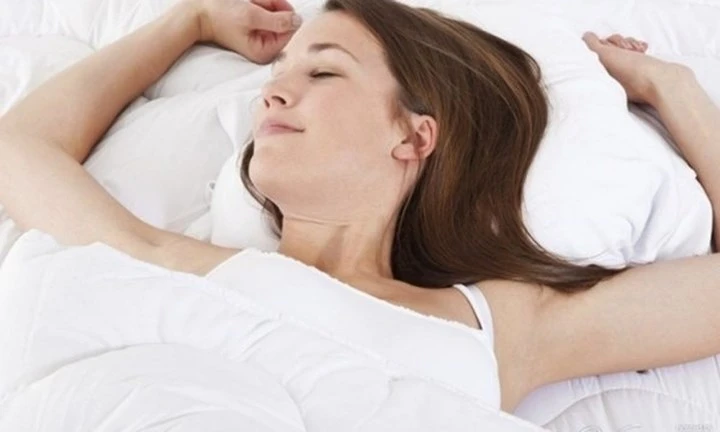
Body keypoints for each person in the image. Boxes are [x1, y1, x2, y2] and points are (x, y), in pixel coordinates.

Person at [0, 0, 719, 414]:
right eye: (279, 75)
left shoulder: (503, 331)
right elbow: (19, 148)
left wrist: (674, 89)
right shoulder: (174, 266)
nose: (272, 93)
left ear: (414, 135)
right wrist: (185, 21)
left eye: (322, 71)